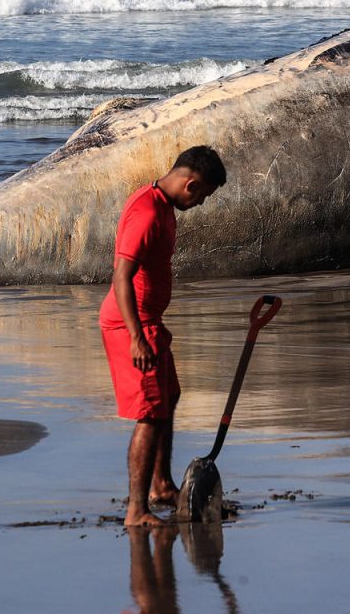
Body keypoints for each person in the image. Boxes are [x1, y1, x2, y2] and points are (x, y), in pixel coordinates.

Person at [100, 145, 227, 527]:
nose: (201, 204)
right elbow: (121, 277)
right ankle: (136, 510)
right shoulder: (147, 212)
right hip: (129, 325)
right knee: (150, 414)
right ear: (191, 184)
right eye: (202, 195)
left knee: (169, 397)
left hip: (146, 321)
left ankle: (161, 486)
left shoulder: (159, 203)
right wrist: (138, 335)